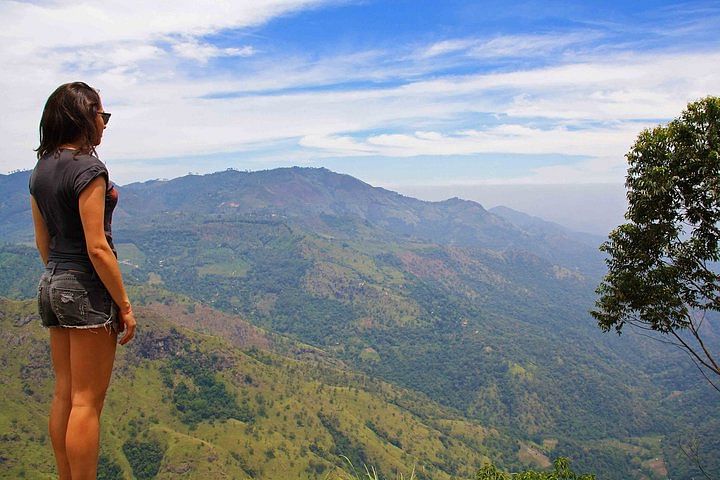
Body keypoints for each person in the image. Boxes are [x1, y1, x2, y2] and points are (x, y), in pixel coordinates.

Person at [29, 82, 136, 480]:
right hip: (85, 287)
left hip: (52, 282)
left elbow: (44, 240)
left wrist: (60, 279)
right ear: (82, 117)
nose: (105, 125)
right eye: (101, 116)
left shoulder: (41, 171)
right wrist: (124, 306)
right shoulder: (90, 169)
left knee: (65, 393)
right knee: (87, 402)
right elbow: (97, 247)